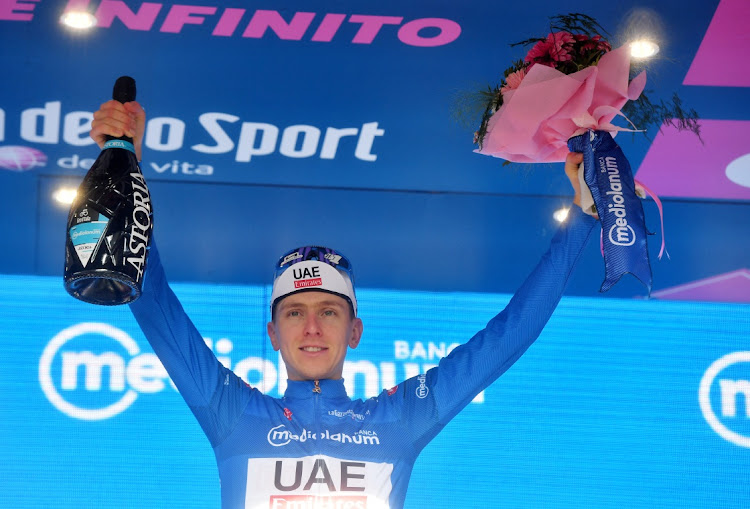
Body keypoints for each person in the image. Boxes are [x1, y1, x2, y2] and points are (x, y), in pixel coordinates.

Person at [91, 100, 597, 509]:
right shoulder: (233, 413)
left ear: (355, 330)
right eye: (294, 312)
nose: (312, 327)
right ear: (272, 334)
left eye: (328, 312)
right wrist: (125, 167)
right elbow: (152, 302)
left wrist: (582, 221)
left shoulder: (397, 421)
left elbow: (507, 336)